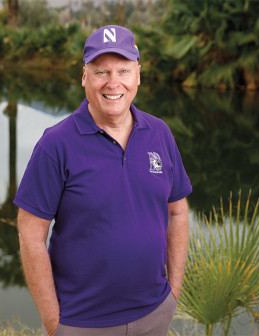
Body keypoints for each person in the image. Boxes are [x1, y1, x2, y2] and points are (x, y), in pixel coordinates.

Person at [14, 25, 192, 336]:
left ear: (138, 74)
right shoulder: (56, 144)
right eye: (101, 72)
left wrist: (172, 293)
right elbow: (30, 236)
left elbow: (177, 211)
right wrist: (54, 322)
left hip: (154, 314)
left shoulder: (160, 133)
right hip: (81, 323)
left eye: (123, 70)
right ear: (85, 76)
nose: (114, 83)